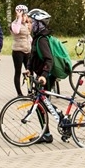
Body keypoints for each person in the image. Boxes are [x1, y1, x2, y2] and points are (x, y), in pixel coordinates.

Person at [27, 8, 60, 144]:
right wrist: (29, 69)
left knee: (41, 104)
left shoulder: (42, 39)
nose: (27, 25)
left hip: (46, 75)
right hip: (41, 74)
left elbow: (48, 59)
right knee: (43, 103)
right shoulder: (37, 38)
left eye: (29, 22)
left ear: (37, 23)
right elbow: (33, 55)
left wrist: (44, 75)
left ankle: (46, 134)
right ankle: (47, 131)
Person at [10, 4, 33, 96]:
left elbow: (28, 36)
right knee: (18, 71)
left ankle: (30, 91)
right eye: (22, 15)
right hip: (18, 51)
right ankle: (19, 93)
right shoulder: (14, 24)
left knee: (29, 71)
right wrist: (19, 18)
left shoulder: (27, 24)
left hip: (27, 50)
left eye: (25, 15)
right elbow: (16, 31)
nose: (24, 17)